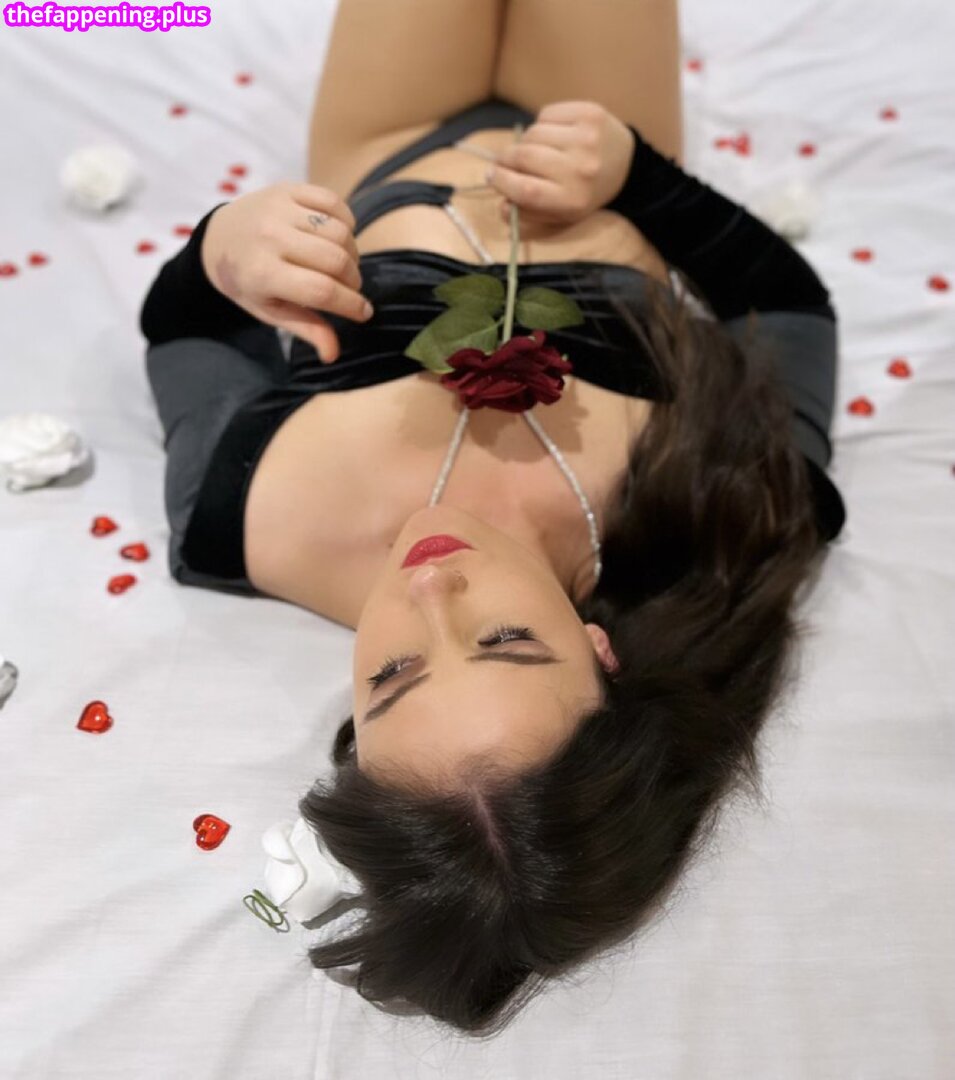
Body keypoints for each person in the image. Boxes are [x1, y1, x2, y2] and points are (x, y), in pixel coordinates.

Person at [139, 0, 847, 1036]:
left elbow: (185, 331)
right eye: (507, 641)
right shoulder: (724, 511)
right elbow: (788, 312)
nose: (429, 587)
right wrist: (641, 179)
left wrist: (219, 252)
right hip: (594, 133)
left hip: (390, 141)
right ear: (601, 655)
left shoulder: (245, 520)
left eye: (392, 674)